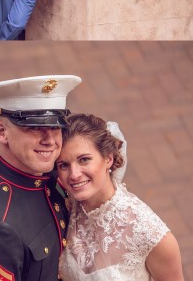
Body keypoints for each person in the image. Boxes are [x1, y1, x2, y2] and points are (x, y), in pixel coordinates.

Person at [0, 75, 81, 281]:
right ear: (1, 132)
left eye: (55, 126)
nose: (50, 140)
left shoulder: (51, 171)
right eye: (34, 128)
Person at [56, 114, 184, 281]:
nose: (74, 174)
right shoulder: (65, 206)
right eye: (64, 165)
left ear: (108, 158)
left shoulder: (149, 233)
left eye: (84, 160)